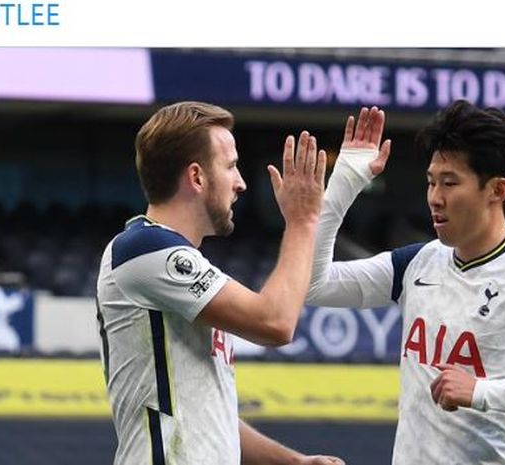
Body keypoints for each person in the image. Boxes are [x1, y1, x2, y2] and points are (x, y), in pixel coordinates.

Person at [306, 102, 505, 464]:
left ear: (497, 190)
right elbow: (314, 284)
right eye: (431, 181)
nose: (435, 197)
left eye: (450, 182)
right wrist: (345, 181)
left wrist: (482, 392)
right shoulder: (416, 263)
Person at [96, 101, 344, 465]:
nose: (241, 182)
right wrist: (303, 221)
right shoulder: (144, 247)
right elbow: (275, 322)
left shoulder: (172, 261)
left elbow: (211, 417)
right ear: (197, 177)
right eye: (230, 166)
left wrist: (295, 462)